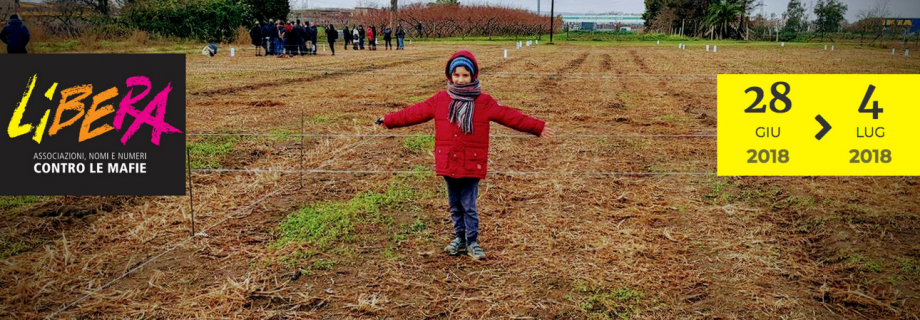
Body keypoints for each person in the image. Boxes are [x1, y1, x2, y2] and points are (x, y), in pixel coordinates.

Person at [375, 50, 556, 260]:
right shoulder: (440, 100)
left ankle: (472, 242)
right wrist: (389, 120)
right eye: (457, 75)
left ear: (473, 76)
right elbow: (414, 113)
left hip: (471, 162)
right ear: (450, 76)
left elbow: (510, 116)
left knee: (469, 205)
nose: (460, 80)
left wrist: (537, 127)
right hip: (448, 160)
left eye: (465, 75)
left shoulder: (484, 102)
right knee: (454, 204)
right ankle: (459, 238)